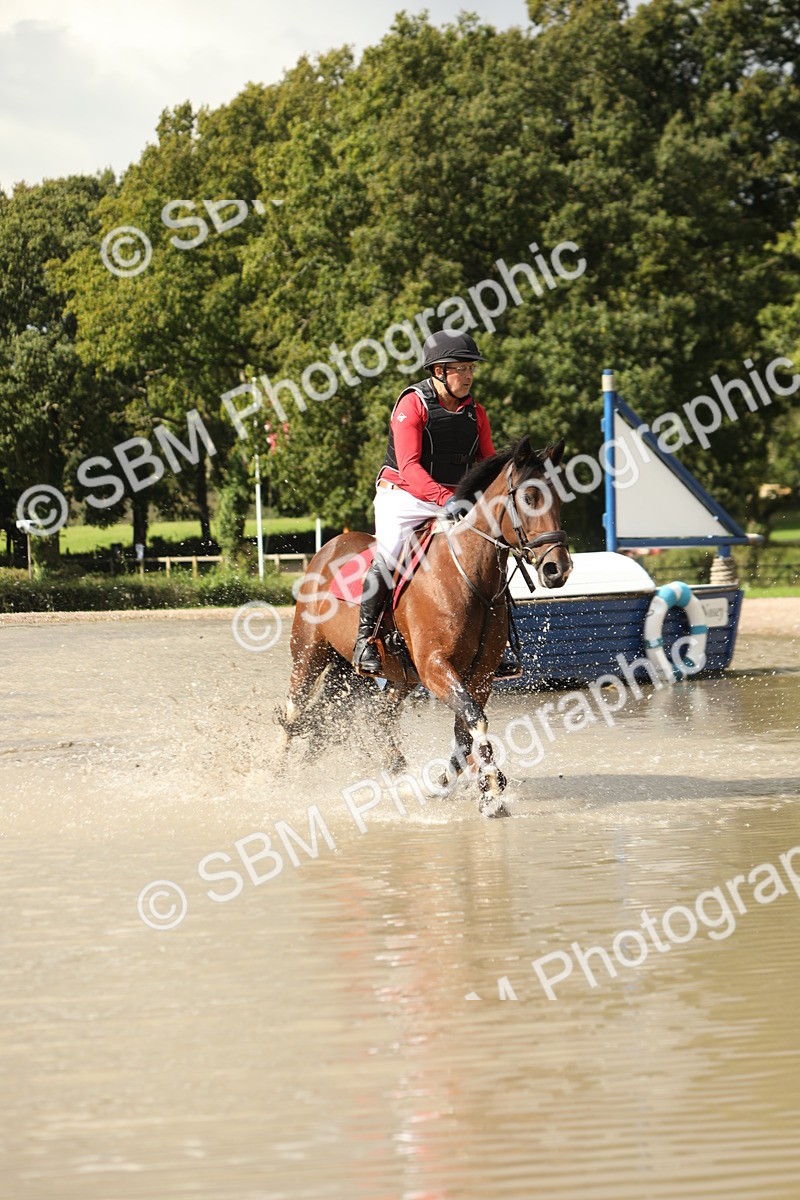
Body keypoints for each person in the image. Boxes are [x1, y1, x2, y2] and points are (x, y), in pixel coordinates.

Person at [352, 329, 521, 678]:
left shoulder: (476, 413)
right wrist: (447, 499)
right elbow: (409, 467)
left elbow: (489, 464)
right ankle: (365, 639)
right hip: (403, 496)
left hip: (453, 499)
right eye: (461, 368)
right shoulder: (411, 405)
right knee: (389, 555)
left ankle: (498, 643)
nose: (469, 375)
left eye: (471, 368)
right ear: (439, 371)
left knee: (490, 555)